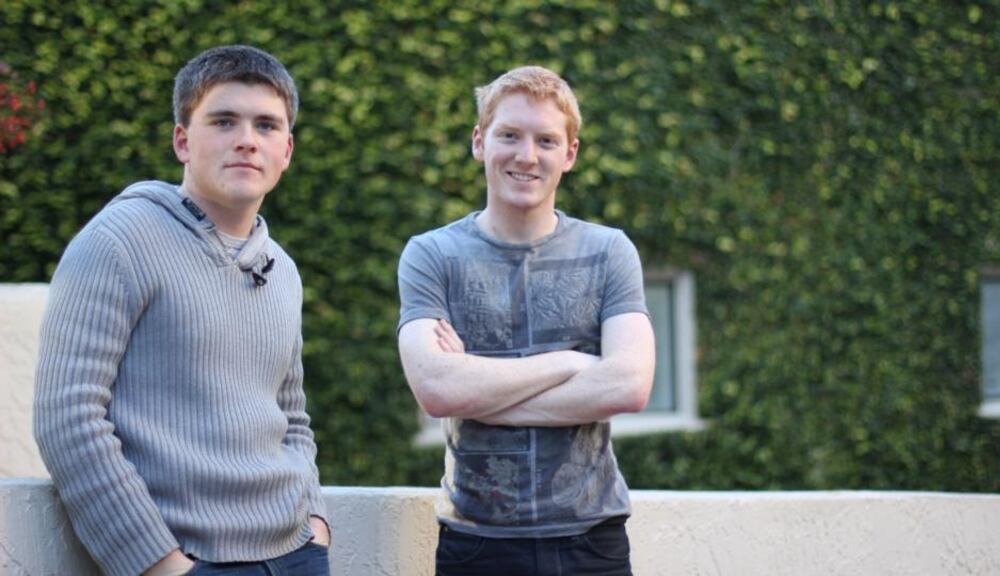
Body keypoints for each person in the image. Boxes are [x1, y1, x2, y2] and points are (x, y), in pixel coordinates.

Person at [33, 45, 330, 576]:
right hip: (188, 561)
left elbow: (292, 417)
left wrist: (316, 520)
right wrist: (161, 565)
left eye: (266, 126)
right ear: (182, 140)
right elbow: (69, 416)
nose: (246, 139)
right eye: (223, 120)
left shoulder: (281, 268)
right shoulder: (119, 241)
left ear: (286, 150)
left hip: (297, 555)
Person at [397, 66, 656, 576]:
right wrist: (571, 362)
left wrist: (482, 392)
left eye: (546, 140)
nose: (527, 155)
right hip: (476, 543)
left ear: (570, 154)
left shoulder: (610, 252)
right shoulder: (432, 255)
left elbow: (628, 385)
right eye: (509, 135)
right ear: (479, 142)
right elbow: (437, 390)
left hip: (592, 542)